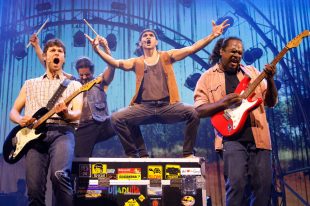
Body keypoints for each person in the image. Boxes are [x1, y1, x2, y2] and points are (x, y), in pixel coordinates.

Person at [85, 20, 229, 158]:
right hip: (145, 108)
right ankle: (136, 154)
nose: (148, 37)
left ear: (156, 42)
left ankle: (187, 153)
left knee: (194, 112)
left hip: (168, 107)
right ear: (141, 43)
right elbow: (116, 63)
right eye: (145, 36)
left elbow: (192, 48)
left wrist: (213, 35)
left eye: (151, 36)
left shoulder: (167, 56)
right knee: (117, 118)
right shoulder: (137, 62)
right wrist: (98, 50)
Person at [30, 34, 148, 157]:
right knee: (80, 163)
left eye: (87, 75)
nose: (84, 77)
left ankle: (138, 154)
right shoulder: (73, 83)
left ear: (92, 72)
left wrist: (105, 48)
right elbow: (51, 67)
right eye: (81, 75)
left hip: (102, 123)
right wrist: (37, 46)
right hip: (83, 128)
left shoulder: (100, 81)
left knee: (126, 116)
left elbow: (112, 66)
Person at [194, 37, 278, 205]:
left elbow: (271, 102)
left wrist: (270, 79)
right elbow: (199, 109)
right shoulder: (207, 77)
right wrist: (223, 103)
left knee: (263, 189)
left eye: (239, 52)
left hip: (259, 139)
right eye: (233, 51)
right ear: (222, 52)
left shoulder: (252, 73)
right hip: (230, 139)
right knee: (237, 185)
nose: (237, 55)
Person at [10, 38, 83, 205]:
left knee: (59, 175)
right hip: (33, 136)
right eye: (52, 50)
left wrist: (66, 114)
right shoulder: (30, 84)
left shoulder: (74, 85)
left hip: (62, 132)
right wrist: (20, 119)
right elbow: (13, 111)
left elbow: (78, 113)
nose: (57, 53)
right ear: (44, 57)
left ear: (64, 58)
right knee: (34, 189)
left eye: (60, 51)